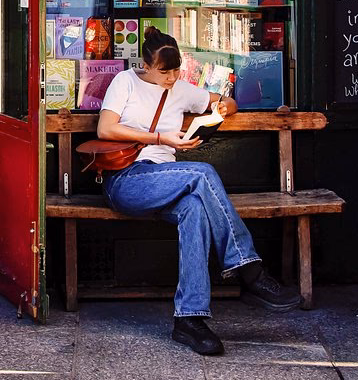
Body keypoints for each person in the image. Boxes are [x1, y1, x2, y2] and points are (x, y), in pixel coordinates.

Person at [96, 26, 301, 356]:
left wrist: (222, 110)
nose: (171, 77)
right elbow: (106, 127)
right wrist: (163, 139)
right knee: (201, 174)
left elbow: (226, 100)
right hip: (128, 179)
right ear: (146, 65)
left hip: (168, 179)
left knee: (195, 208)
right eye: (165, 71)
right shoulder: (125, 82)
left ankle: (189, 320)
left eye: (176, 70)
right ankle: (249, 269)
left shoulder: (180, 88)